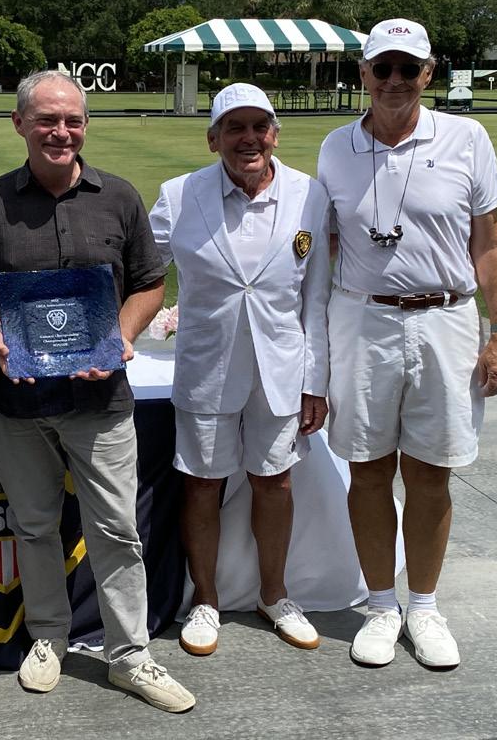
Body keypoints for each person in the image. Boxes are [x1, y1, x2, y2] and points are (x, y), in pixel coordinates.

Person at [0, 70, 194, 713]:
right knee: (34, 525)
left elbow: (148, 283)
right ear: (20, 124)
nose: (61, 132)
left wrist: (119, 337)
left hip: (100, 399)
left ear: (85, 125)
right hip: (17, 400)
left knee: (116, 530)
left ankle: (130, 655)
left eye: (73, 120)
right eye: (47, 120)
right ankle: (49, 637)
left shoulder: (118, 196)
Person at [317, 18, 497, 669]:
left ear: (428, 74)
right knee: (368, 468)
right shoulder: (336, 148)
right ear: (363, 75)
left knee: (431, 471)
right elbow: (321, 245)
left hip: (445, 318)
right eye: (383, 68)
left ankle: (423, 606)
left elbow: (490, 242)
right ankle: (381, 605)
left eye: (409, 68)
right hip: (362, 320)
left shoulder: (466, 137)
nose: (395, 80)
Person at [149, 84, 331, 657]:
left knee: (274, 483)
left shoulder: (310, 194)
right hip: (206, 368)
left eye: (259, 127)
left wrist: (315, 382)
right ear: (213, 139)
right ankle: (205, 599)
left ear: (275, 134)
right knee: (202, 484)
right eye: (235, 128)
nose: (248, 139)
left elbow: (317, 297)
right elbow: (139, 272)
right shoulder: (178, 196)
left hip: (282, 369)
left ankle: (274, 595)